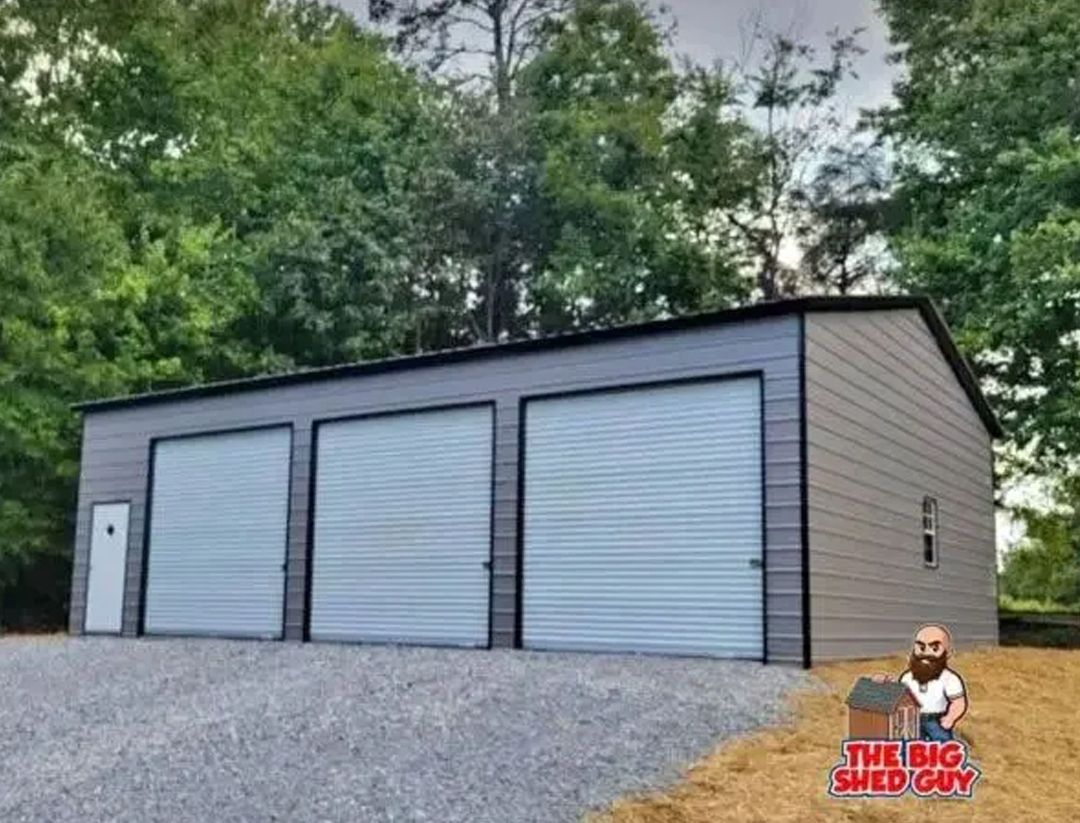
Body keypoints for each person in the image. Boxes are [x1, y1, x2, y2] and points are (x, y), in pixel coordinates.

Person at [876, 624, 968, 741]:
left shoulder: (949, 679)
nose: (926, 654)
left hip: (937, 721)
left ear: (948, 653)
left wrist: (950, 718)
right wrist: (886, 683)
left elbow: (958, 702)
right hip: (912, 720)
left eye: (934, 648)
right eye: (921, 648)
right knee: (910, 748)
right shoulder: (907, 677)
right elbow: (900, 696)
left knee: (943, 748)